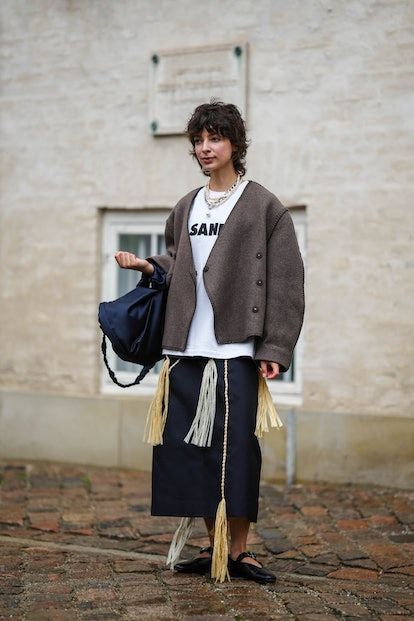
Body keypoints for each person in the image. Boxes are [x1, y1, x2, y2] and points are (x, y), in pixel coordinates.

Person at [114, 100, 305, 584]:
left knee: (235, 451)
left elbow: (286, 282)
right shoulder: (187, 206)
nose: (204, 148)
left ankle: (239, 552)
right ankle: (213, 547)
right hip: (184, 350)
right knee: (193, 451)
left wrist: (276, 348)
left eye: (214, 139)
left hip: (235, 351)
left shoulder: (264, 206)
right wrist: (146, 266)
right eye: (198, 140)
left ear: (235, 144)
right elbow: (180, 263)